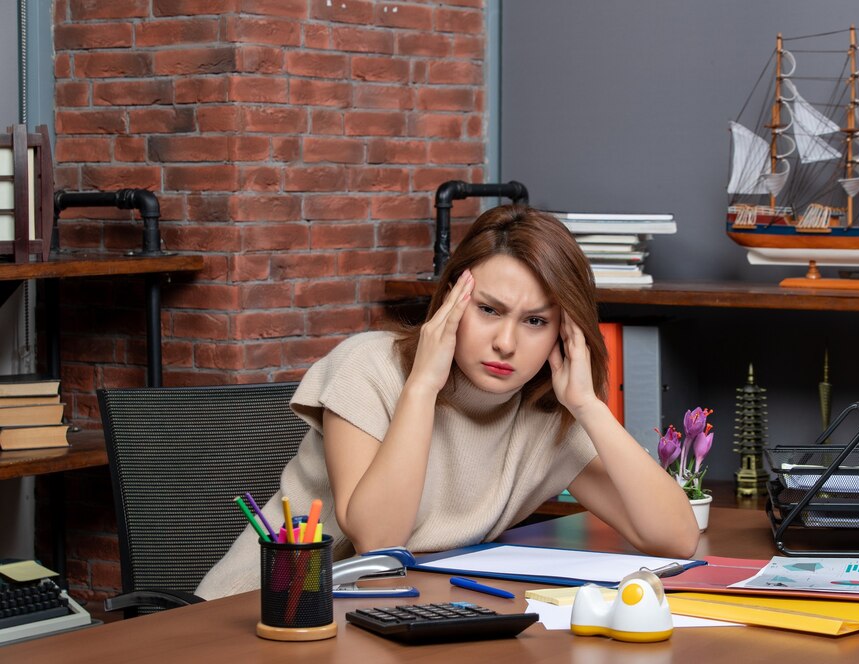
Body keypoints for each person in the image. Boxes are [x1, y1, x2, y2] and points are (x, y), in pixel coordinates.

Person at [196, 204, 699, 599]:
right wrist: (421, 386)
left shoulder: (548, 418)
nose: (506, 342)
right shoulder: (368, 369)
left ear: (562, 336)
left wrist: (589, 405)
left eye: (536, 322)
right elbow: (379, 540)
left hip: (390, 615)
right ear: (451, 304)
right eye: (488, 310)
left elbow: (675, 538)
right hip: (262, 615)